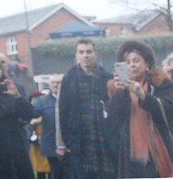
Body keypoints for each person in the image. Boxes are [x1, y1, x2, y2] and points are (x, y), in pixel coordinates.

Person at [106, 40, 173, 178]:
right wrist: (119, 93)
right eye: (128, 62)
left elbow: (168, 109)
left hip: (158, 147)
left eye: (136, 61)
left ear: (146, 63)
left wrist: (143, 95)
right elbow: (112, 117)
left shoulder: (160, 82)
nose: (132, 65)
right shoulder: (116, 87)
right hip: (130, 151)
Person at [58, 39, 115, 179]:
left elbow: (115, 109)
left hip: (104, 138)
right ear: (76, 56)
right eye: (81, 52)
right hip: (80, 139)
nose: (85, 55)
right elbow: (63, 111)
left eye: (89, 52)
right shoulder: (68, 79)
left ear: (95, 54)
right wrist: (66, 140)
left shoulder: (108, 78)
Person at [32, 74, 65, 179]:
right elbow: (31, 114)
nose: (55, 85)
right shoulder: (42, 101)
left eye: (58, 82)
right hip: (50, 145)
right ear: (49, 85)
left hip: (68, 144)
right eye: (53, 82)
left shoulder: (69, 99)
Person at [28, 91, 50, 179]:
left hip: (47, 142)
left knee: (49, 167)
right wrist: (35, 122)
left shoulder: (46, 110)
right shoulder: (30, 111)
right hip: (36, 144)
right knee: (39, 169)